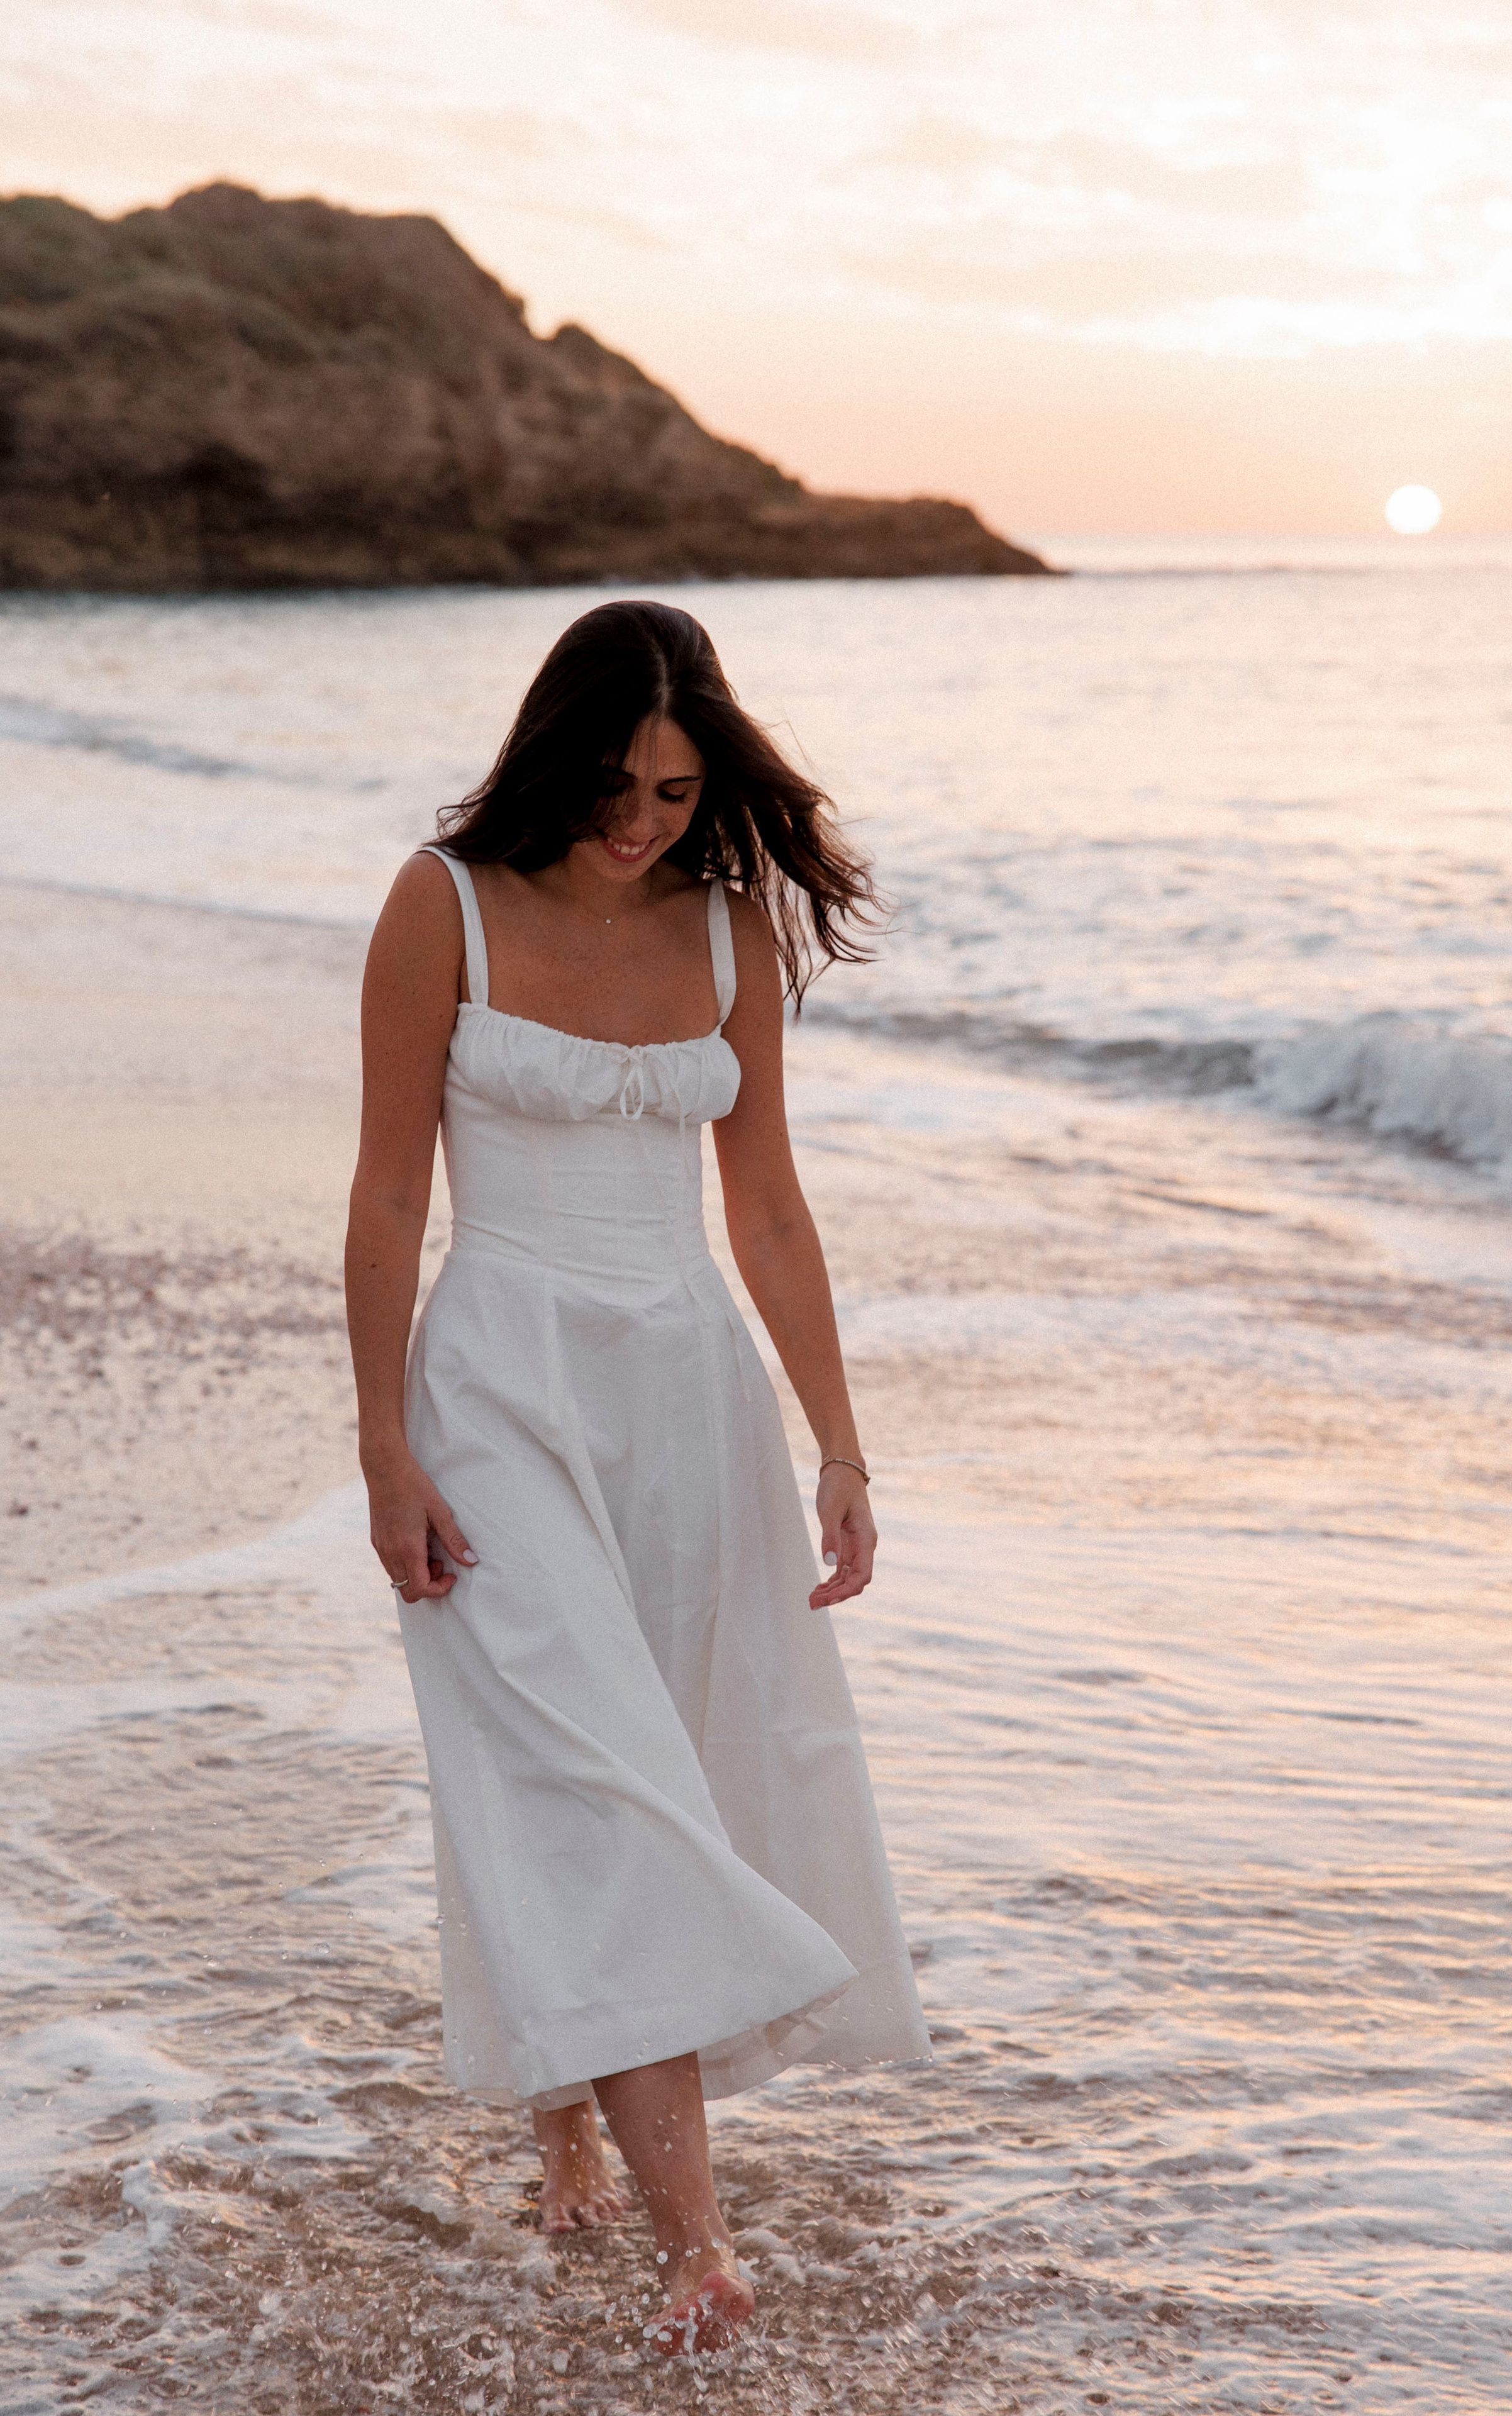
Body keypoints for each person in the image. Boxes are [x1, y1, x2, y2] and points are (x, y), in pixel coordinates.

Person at [345, 600, 930, 2356]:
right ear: (552, 758)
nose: (644, 821)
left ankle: (567, 2103)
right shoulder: (437, 902)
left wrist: (841, 1443)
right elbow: (385, 1197)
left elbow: (765, 1206)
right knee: (585, 1767)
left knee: (648, 1751)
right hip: (497, 1386)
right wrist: (382, 1443)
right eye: (616, 785)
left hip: (685, 1389)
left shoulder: (735, 927)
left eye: (678, 790)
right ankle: (700, 2242)